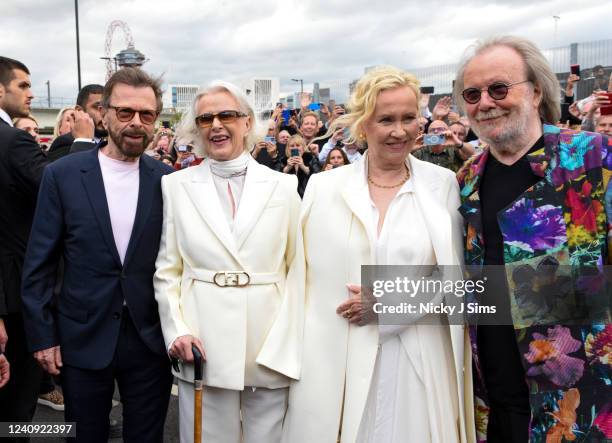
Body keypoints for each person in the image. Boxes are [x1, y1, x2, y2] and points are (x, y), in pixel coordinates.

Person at [269, 66, 472, 442]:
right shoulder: (323, 186)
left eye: (409, 118)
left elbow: (456, 280)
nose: (399, 131)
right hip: (336, 362)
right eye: (385, 120)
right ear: (363, 125)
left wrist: (390, 305)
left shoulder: (441, 183)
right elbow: (300, 279)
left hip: (418, 359)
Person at [454, 35, 612, 442]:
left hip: (584, 407)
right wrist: (384, 297)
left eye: (499, 88)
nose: (485, 102)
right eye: (472, 94)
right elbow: (473, 286)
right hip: (496, 403)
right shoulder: (466, 181)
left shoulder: (594, 159)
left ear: (537, 91)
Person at [21, 67, 174, 443]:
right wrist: (42, 335)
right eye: (125, 112)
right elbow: (40, 261)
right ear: (103, 113)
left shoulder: (169, 180)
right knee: (84, 434)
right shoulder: (64, 174)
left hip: (149, 340)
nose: (136, 123)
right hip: (81, 336)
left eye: (147, 115)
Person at [155, 80, 301, 443]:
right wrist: (178, 331)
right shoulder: (176, 186)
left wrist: (288, 341)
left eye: (227, 115)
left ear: (247, 122)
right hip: (203, 342)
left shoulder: (283, 187)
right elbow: (168, 269)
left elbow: (298, 268)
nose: (216, 125)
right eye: (206, 118)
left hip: (268, 342)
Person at [0, 56, 47, 437]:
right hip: (14, 296)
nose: (30, 94)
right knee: (17, 399)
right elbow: (61, 192)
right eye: (23, 86)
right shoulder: (13, 141)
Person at [47, 84, 106, 162]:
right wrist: (83, 142)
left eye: (108, 107)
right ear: (79, 110)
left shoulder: (110, 145)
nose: (105, 113)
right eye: (98, 107)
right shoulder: (65, 142)